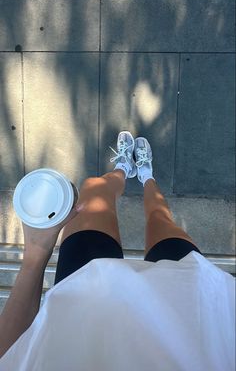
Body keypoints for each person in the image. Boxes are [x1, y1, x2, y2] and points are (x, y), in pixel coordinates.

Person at [0, 131, 234, 370]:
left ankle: (122, 168)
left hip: (80, 306)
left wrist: (35, 256)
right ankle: (146, 176)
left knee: (93, 189)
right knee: (160, 218)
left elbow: (8, 358)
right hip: (193, 316)